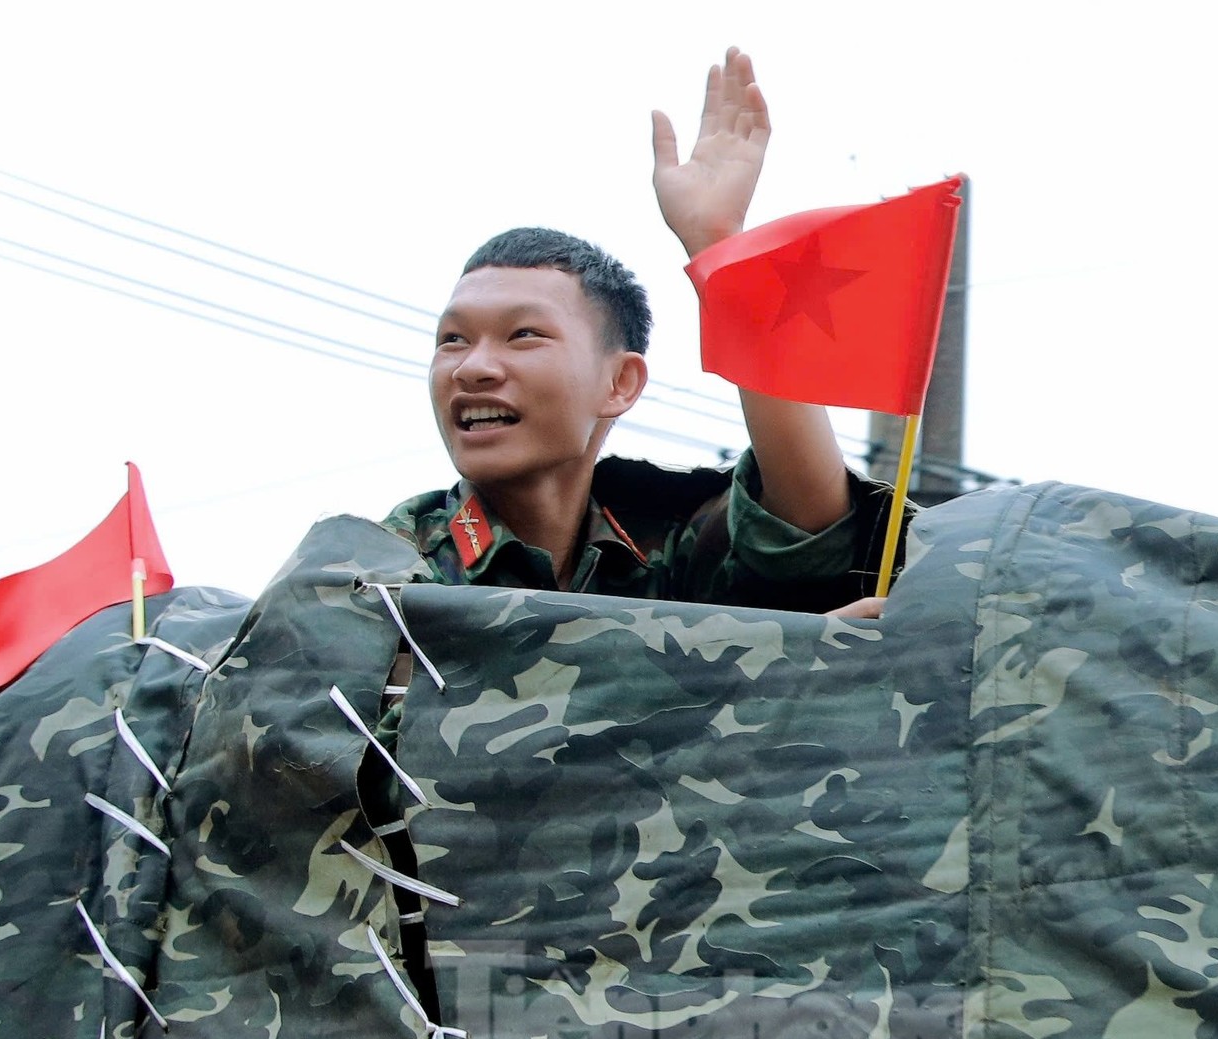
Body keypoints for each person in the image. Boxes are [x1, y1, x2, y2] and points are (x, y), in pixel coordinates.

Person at [379, 48, 895, 617]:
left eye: (523, 335)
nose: (472, 367)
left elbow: (810, 536)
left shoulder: (659, 553)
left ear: (620, 382)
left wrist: (721, 253)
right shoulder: (383, 576)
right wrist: (770, 684)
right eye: (452, 339)